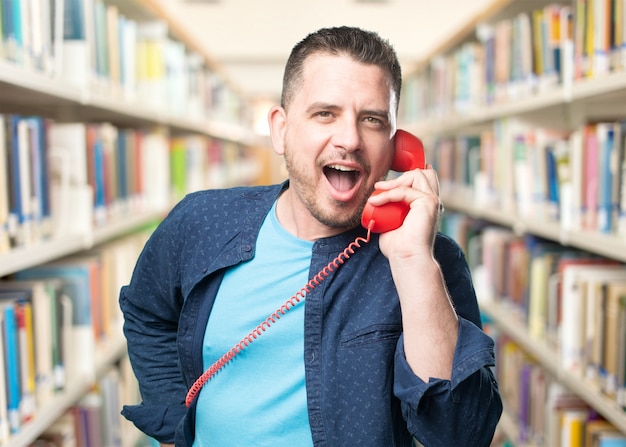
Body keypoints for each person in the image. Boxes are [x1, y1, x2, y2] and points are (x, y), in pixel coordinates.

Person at [119, 26, 502, 446]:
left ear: (397, 147)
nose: (350, 139)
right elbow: (147, 312)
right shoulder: (203, 221)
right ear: (281, 130)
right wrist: (174, 425)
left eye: (372, 120)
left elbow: (461, 436)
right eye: (325, 113)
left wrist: (413, 264)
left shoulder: (431, 261)